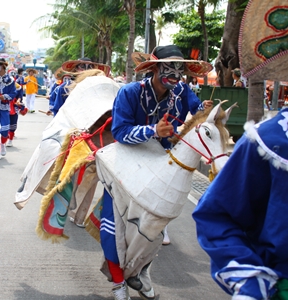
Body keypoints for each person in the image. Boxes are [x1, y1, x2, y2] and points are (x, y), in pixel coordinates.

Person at [102, 45, 213, 300]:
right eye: (169, 67)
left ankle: (141, 272)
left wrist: (201, 112)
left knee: (154, 231)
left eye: (180, 69)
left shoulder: (181, 92)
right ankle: (118, 283)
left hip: (160, 162)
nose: (175, 74)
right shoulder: (129, 92)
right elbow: (119, 132)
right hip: (126, 162)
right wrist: (153, 130)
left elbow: (193, 114)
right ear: (154, 68)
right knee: (114, 224)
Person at [192, 108, 288, 299]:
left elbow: (193, 106)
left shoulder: (181, 93)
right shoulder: (269, 137)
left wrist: (201, 109)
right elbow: (217, 214)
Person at [7, 82, 28, 147]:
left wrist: (18, 101)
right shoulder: (1, 85)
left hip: (14, 107)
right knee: (4, 125)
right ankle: (4, 140)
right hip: (4, 107)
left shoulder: (17, 86)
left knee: (13, 125)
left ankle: (10, 139)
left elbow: (19, 96)